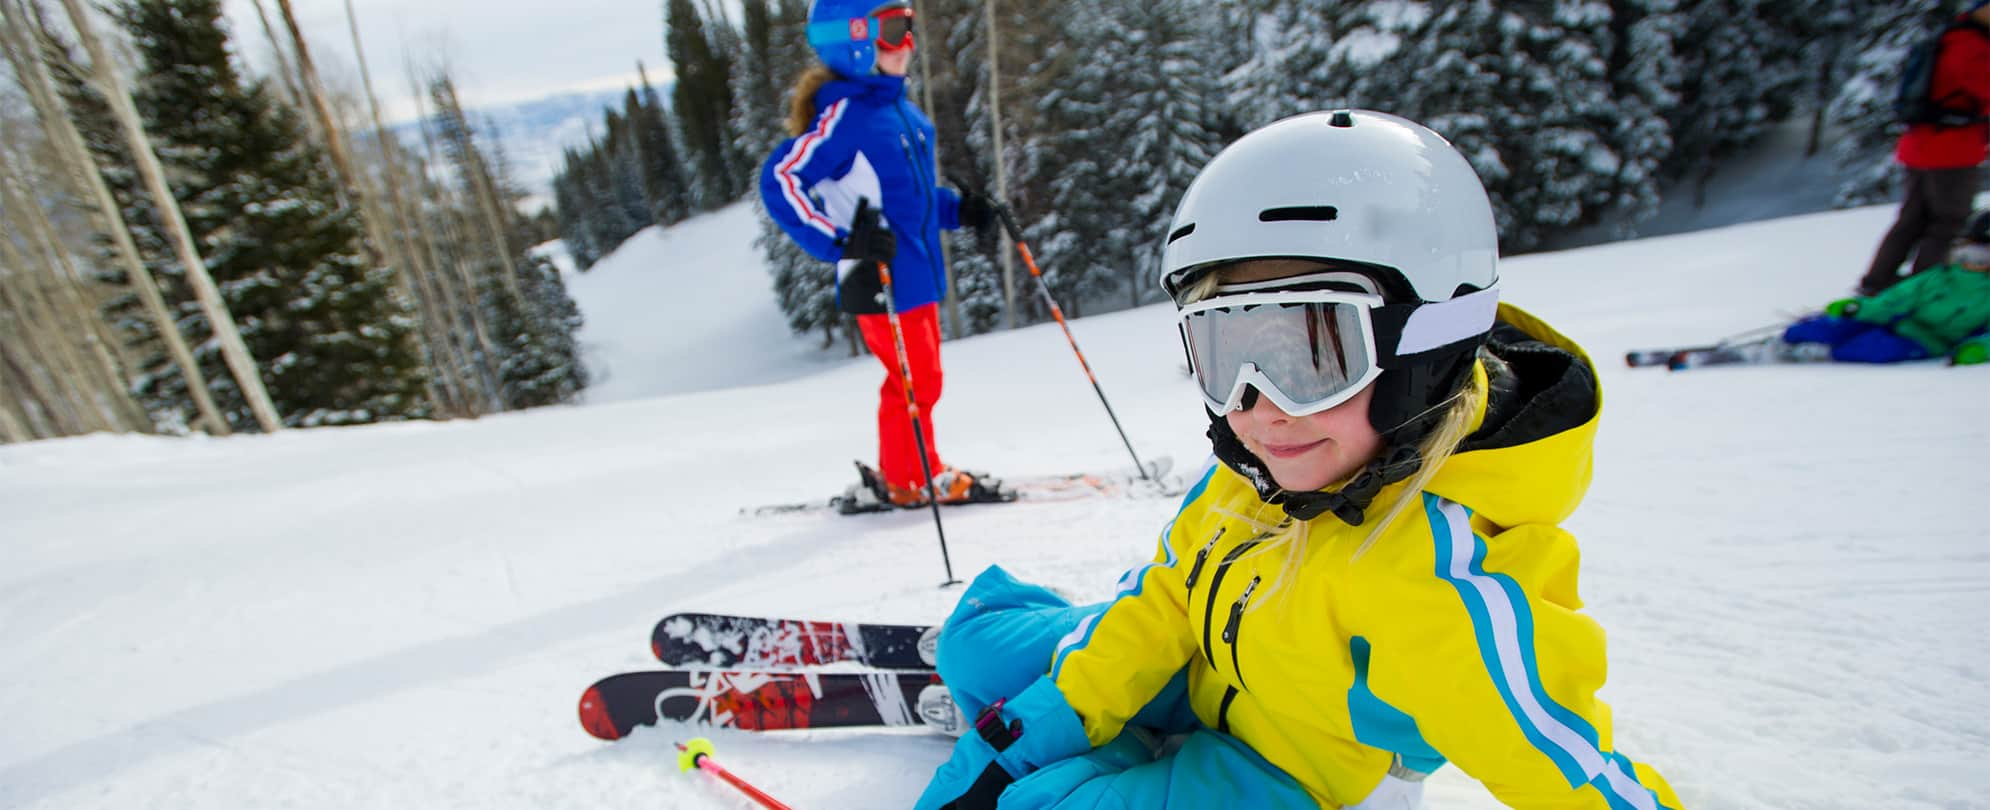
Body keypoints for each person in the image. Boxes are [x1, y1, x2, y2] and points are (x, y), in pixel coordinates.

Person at [914, 111, 1683, 809]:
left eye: (1314, 352)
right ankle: (1100, 732)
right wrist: (1047, 722)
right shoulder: (1261, 472)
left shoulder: (1443, 586)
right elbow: (1170, 600)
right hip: (1209, 674)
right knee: (970, 644)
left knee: (1029, 805)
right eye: (1227, 354)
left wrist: (1025, 761)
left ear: (1426, 347)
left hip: (1279, 776)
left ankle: (1111, 765)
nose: (1261, 407)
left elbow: (1573, 777)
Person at [759, 0, 996, 509]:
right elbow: (781, 178)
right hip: (879, 276)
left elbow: (910, 202)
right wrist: (842, 241)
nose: (907, 41)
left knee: (921, 379)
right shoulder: (843, 116)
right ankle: (911, 479)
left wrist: (961, 211)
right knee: (915, 381)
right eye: (894, 29)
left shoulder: (900, 111)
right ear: (857, 40)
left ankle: (912, 470)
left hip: (914, 270)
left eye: (909, 26)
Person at [1857, 0, 1990, 296]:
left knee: (1912, 219)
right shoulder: (1971, 43)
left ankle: (1876, 283)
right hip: (1951, 149)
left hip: (1921, 145)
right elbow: (1981, 89)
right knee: (1948, 222)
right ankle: (1923, 291)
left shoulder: (1953, 36)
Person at [1792, 207, 1990, 365]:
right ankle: (1783, 344)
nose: (1971, 263)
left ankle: (1821, 355)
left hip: (1929, 340)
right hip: (1896, 321)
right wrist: (1859, 308)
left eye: (1982, 257)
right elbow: (1894, 300)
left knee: (1877, 347)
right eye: (1966, 254)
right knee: (1829, 326)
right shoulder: (1938, 277)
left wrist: (1979, 349)